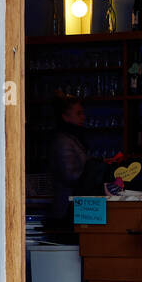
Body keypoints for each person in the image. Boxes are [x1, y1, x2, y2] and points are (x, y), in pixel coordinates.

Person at [46, 96, 98, 233]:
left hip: (74, 205)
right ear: (65, 117)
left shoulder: (71, 138)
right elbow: (70, 175)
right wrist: (95, 173)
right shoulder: (63, 141)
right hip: (67, 208)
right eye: (78, 113)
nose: (84, 117)